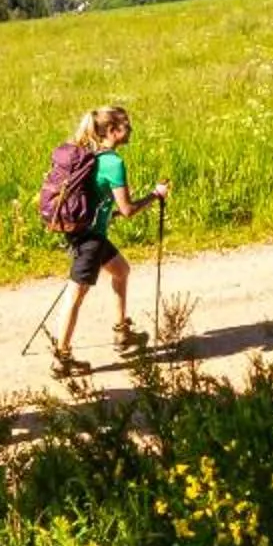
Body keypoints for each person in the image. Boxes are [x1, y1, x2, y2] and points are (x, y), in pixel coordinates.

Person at [47, 102, 169, 372]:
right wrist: (155, 195)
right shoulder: (113, 162)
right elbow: (127, 210)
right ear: (113, 131)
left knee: (121, 271)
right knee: (75, 295)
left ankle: (121, 331)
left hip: (89, 233)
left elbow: (95, 199)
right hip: (89, 239)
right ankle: (61, 357)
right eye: (127, 125)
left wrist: (105, 215)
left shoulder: (90, 155)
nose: (131, 129)